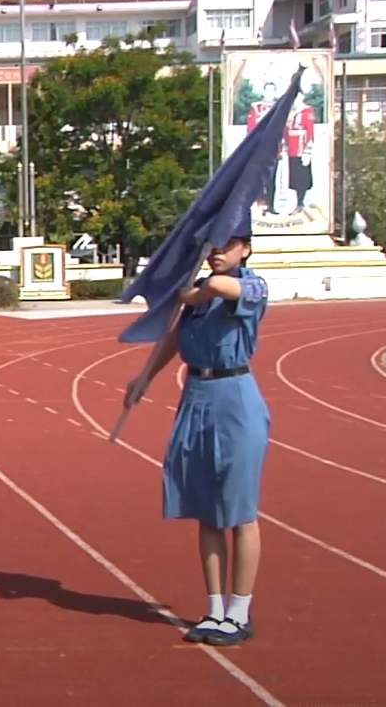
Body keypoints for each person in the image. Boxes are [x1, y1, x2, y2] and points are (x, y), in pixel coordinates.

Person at [124, 218, 271, 648]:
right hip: (196, 396)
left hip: (235, 397)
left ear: (245, 248)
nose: (218, 252)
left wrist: (198, 290)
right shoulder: (198, 293)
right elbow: (175, 336)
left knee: (239, 511)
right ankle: (214, 608)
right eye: (213, 245)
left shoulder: (250, 285)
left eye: (228, 244)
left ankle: (240, 611)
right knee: (204, 508)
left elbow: (227, 291)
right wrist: (145, 376)